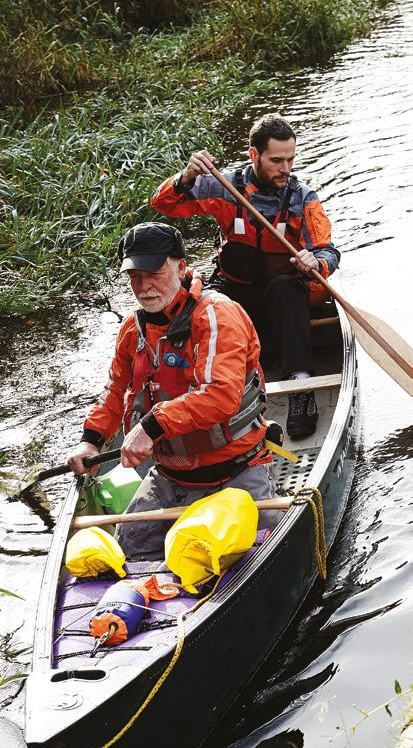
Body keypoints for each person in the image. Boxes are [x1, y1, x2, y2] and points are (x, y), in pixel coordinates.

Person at [68, 222, 281, 564]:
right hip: (171, 475)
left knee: (244, 558)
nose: (144, 286)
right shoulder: (132, 329)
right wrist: (90, 440)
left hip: (237, 471)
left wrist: (151, 426)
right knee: (128, 556)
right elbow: (114, 389)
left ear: (181, 266)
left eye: (154, 273)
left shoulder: (216, 315)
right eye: (135, 276)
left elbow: (221, 396)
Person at [151, 113, 341, 439]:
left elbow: (328, 251)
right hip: (235, 289)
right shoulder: (223, 186)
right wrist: (185, 176)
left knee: (286, 288)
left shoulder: (301, 198)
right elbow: (163, 203)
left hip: (281, 296)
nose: (286, 168)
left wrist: (316, 262)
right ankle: (200, 389)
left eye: (290, 160)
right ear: (254, 155)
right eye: (276, 160)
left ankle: (300, 387)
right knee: (202, 303)